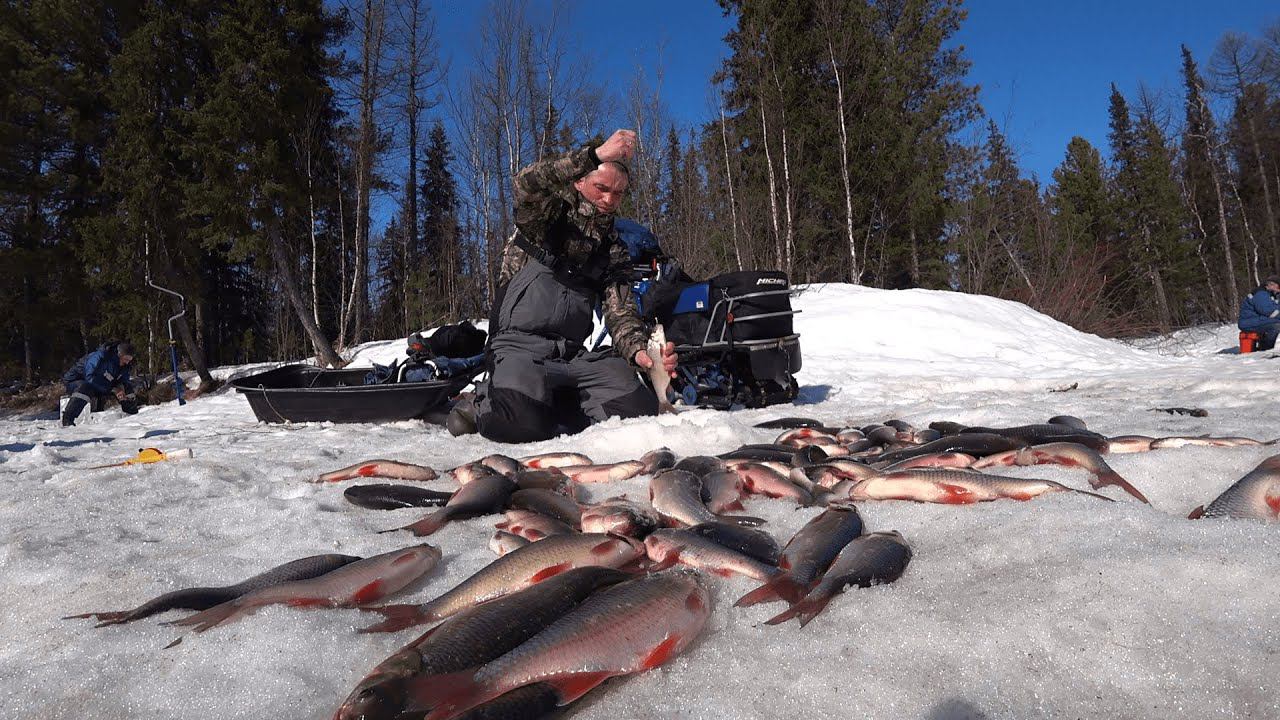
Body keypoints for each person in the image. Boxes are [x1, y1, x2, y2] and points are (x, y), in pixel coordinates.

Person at [448, 129, 677, 442]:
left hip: (572, 357)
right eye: (601, 187)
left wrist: (639, 352)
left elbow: (620, 312)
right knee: (518, 424)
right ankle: (483, 401)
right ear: (579, 181)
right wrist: (593, 156)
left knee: (639, 412)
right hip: (518, 348)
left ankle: (555, 402)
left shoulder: (614, 249)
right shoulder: (544, 216)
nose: (609, 200)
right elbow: (525, 183)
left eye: (618, 193)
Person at [61, 341, 138, 426]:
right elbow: (90, 377)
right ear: (119, 354)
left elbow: (123, 381)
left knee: (127, 387)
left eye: (129, 360)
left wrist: (120, 388)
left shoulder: (125, 366)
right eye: (126, 359)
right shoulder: (100, 356)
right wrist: (113, 389)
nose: (127, 362)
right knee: (85, 387)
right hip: (77, 382)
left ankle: (133, 418)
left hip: (104, 386)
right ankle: (68, 419)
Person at [1239, 276, 1280, 351]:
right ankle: (1267, 349)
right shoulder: (1261, 294)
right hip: (1249, 322)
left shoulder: (1269, 294)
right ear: (1272, 285)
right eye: (1279, 286)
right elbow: (1268, 311)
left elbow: (1275, 308)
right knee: (1276, 325)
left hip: (1257, 320)